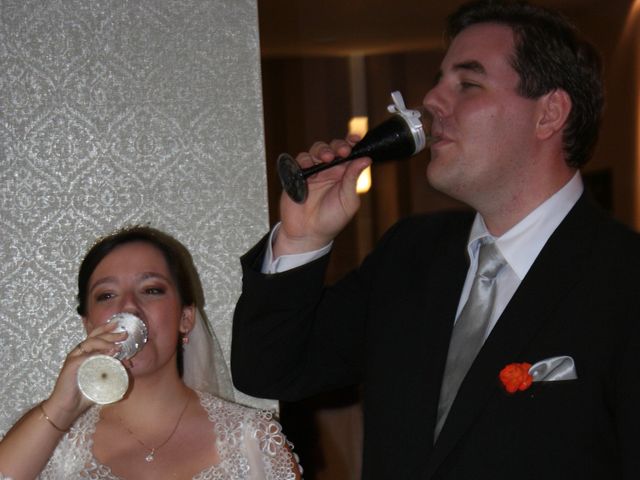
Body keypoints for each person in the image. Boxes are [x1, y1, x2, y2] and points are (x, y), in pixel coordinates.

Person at [231, 0, 640, 478]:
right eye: (439, 82)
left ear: (549, 113)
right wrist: (303, 238)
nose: (432, 102)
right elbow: (270, 371)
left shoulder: (626, 279)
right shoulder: (409, 254)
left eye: (467, 84)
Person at [0, 226, 301, 480]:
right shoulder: (55, 438)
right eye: (107, 295)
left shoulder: (254, 437)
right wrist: (60, 409)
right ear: (89, 324)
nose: (128, 306)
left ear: (186, 318)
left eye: (152, 289)